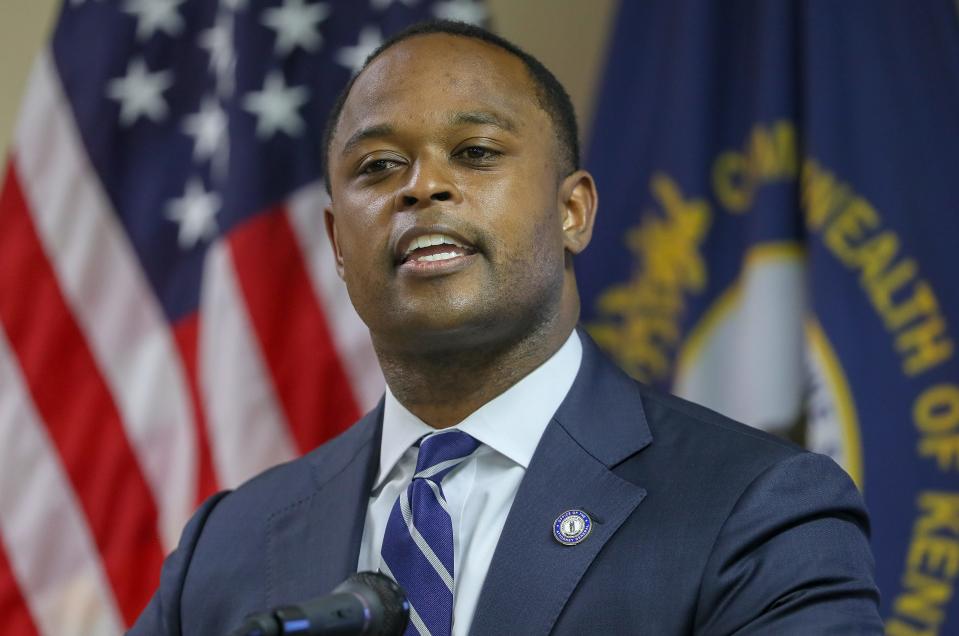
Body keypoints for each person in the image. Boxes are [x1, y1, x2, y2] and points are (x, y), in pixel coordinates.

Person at [130, 20, 882, 635]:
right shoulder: (225, 548)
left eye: (475, 153)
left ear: (572, 213)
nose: (422, 185)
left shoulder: (758, 511)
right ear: (335, 242)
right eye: (379, 166)